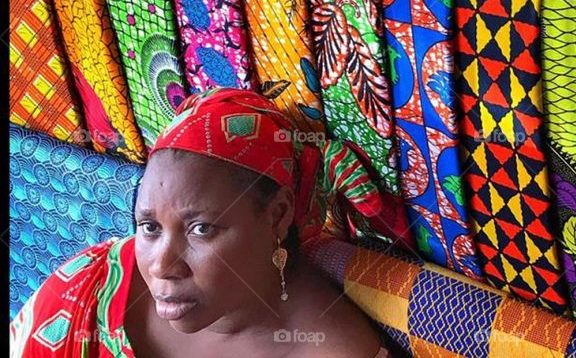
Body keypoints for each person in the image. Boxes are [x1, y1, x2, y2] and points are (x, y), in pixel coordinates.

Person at [10, 88, 396, 357]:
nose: (162, 265)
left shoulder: (331, 350)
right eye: (149, 226)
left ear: (277, 216)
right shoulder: (93, 289)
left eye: (201, 229)